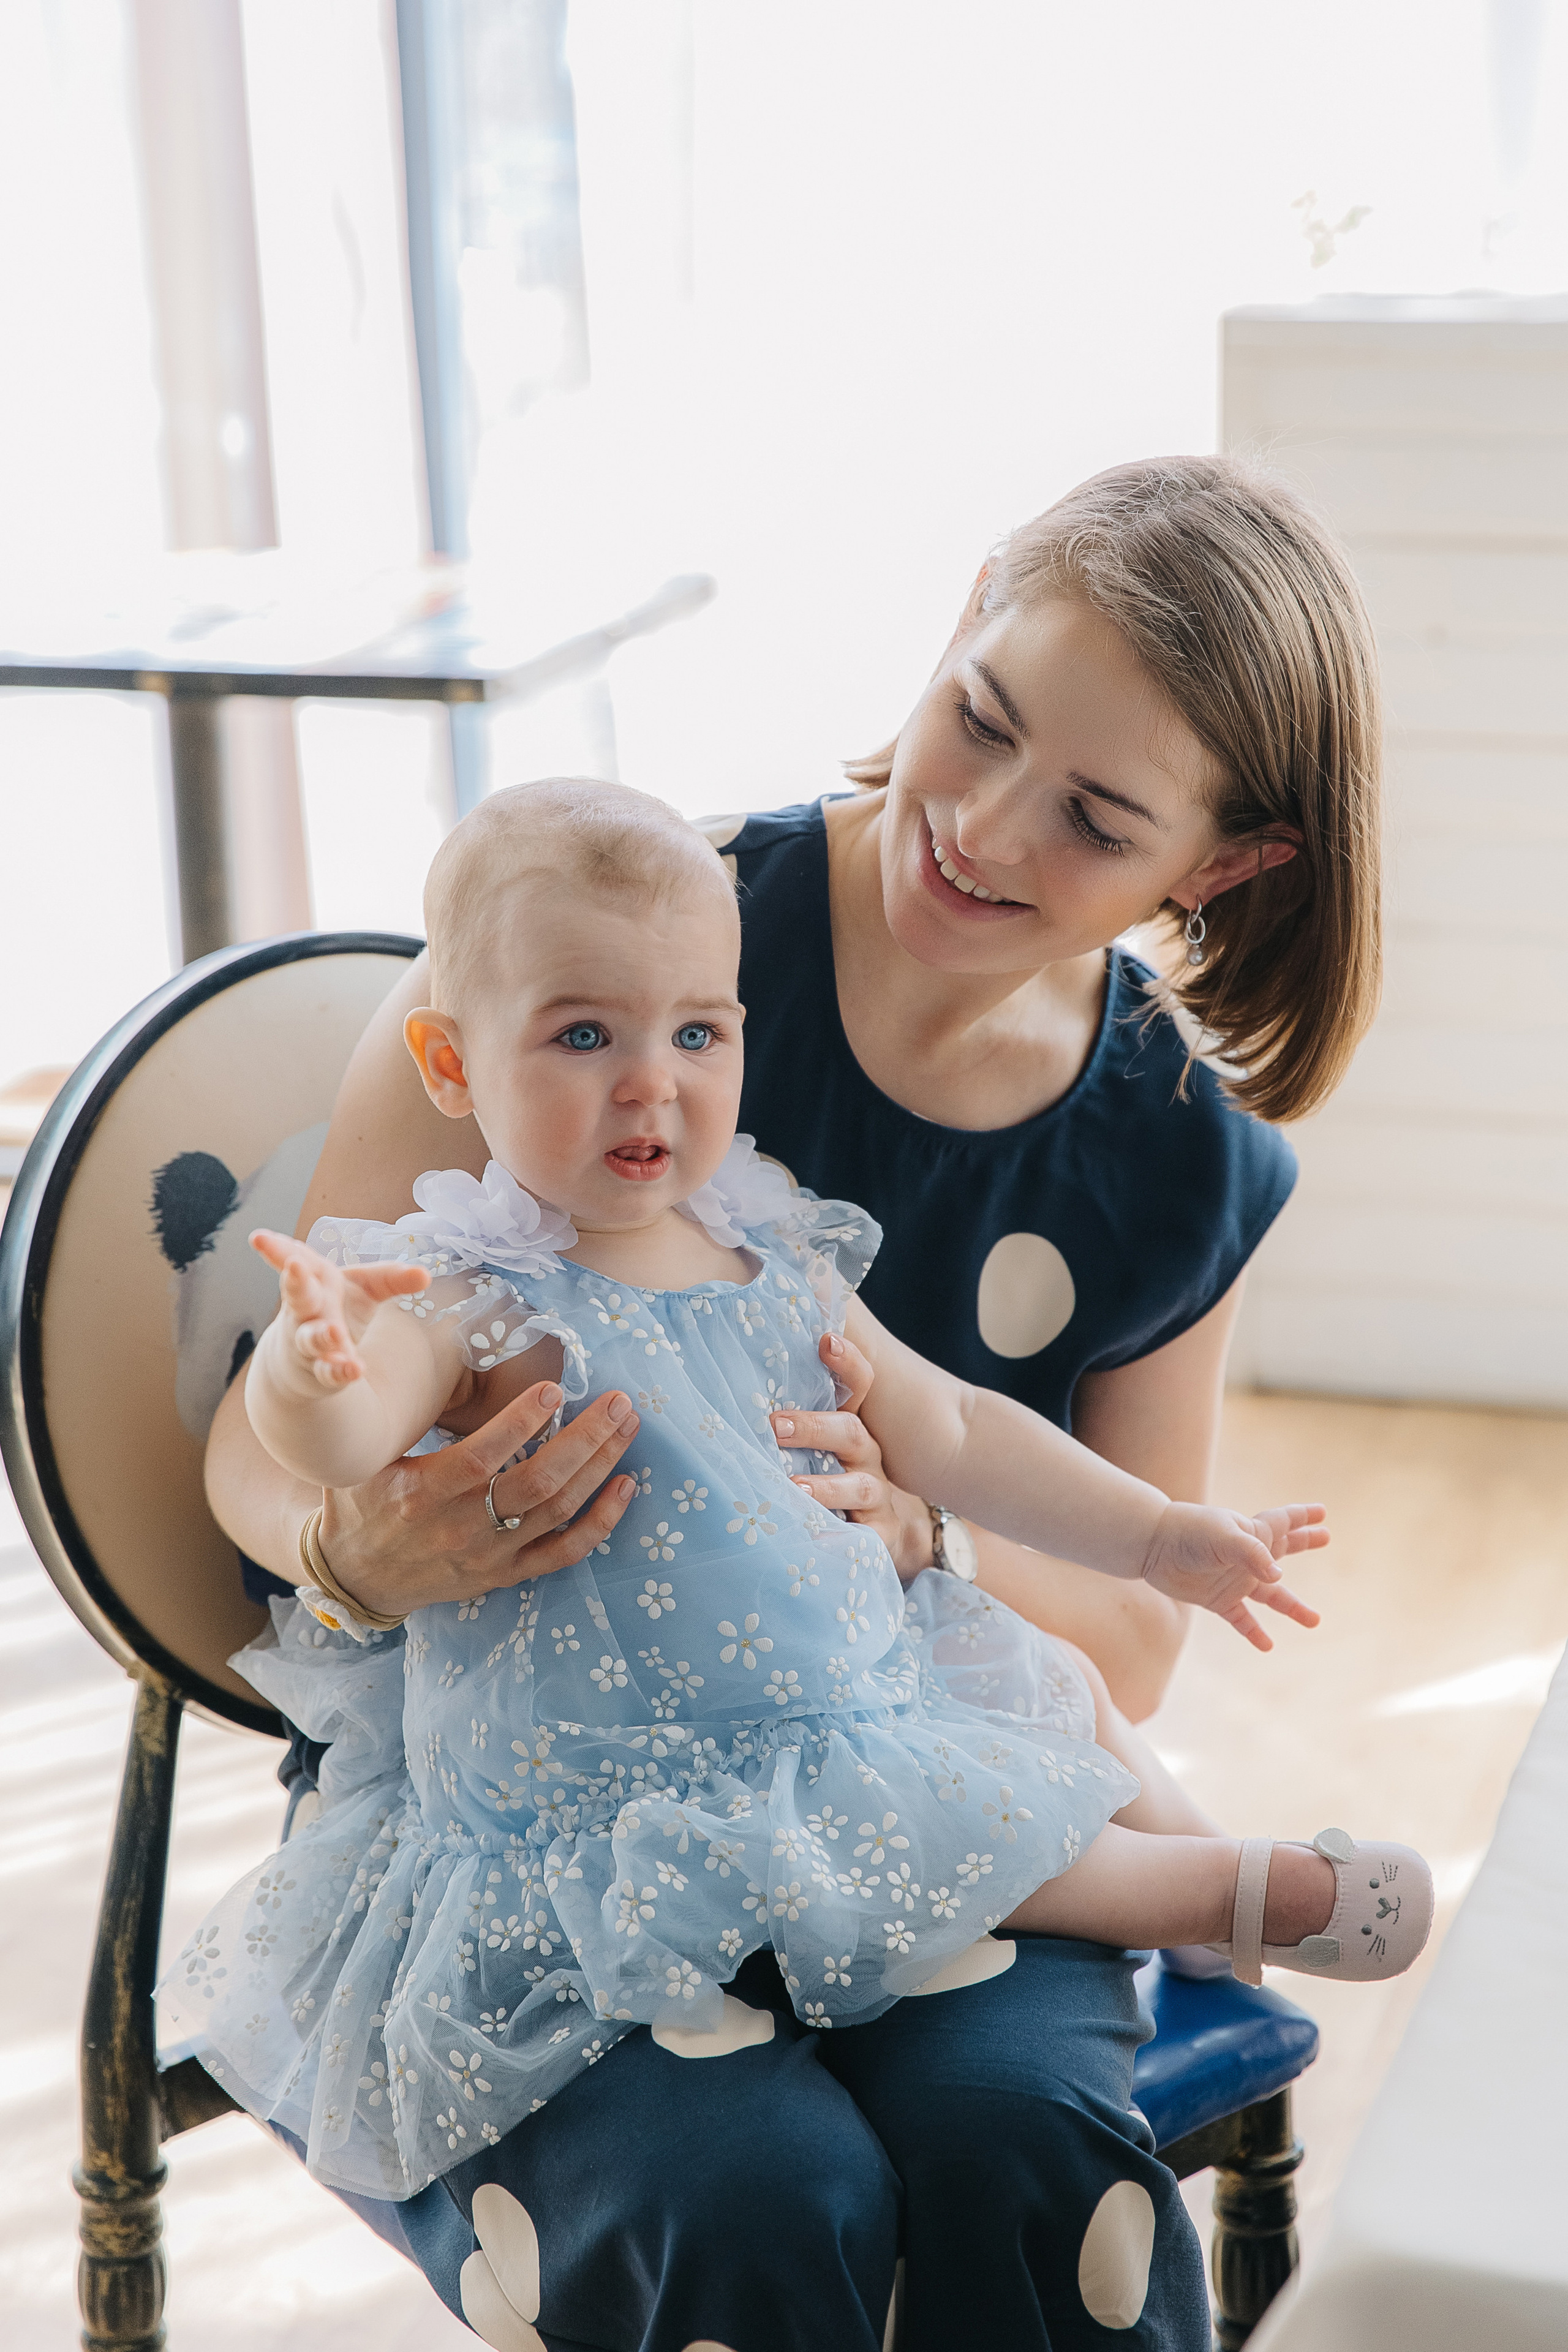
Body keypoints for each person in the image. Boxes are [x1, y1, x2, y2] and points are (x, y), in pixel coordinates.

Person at [204, 457, 1387, 2351]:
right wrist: (358, 1542)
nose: (983, 828)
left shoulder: (1175, 1157)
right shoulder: (604, 941)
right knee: (750, 2208)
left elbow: (1136, 1642)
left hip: (907, 1767)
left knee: (1031, 2161)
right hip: (534, 1809)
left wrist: (932, 1530)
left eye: (1093, 817)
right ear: (963, 609)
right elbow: (257, 1455)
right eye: (979, 718)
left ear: (1219, 870)